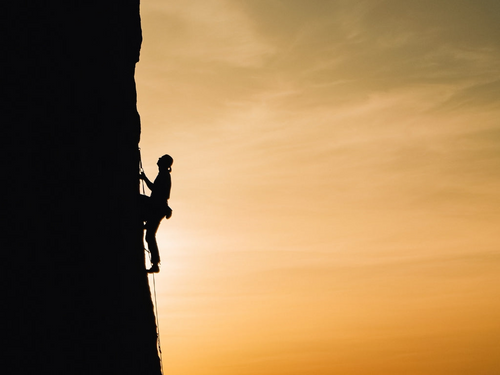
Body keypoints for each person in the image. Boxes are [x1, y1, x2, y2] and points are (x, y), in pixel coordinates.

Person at [139, 154, 173, 273]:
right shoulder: (164, 175)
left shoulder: (164, 175)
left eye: (160, 159)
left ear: (163, 163)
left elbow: (154, 189)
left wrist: (144, 178)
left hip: (157, 207)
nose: (158, 159)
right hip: (157, 207)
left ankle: (155, 264)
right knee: (149, 235)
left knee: (149, 235)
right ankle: (155, 263)